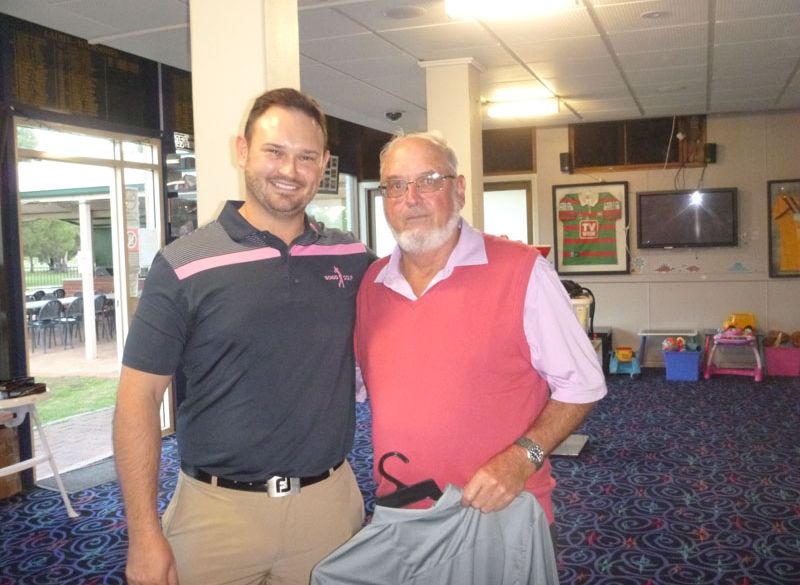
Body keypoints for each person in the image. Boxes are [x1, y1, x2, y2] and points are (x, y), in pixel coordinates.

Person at [113, 88, 374, 585]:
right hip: (215, 516)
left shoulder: (352, 257)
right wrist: (143, 532)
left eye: (306, 157)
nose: (290, 170)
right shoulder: (182, 263)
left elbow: (419, 290)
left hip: (328, 510)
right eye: (274, 151)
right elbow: (137, 398)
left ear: (323, 166)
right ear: (242, 151)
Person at [354, 131, 607, 545]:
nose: (411, 198)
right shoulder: (372, 284)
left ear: (459, 189)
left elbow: (583, 384)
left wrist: (522, 459)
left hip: (500, 517)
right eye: (395, 185)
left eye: (428, 180)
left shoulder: (522, 271)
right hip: (400, 517)